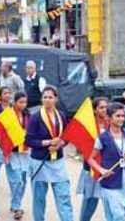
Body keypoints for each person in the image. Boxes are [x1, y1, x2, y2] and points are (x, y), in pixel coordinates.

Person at [25, 86, 73, 221]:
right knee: (39, 199)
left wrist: (60, 144)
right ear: (41, 99)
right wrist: (47, 143)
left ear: (56, 99)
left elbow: (67, 136)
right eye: (45, 97)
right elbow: (28, 140)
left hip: (58, 163)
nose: (47, 100)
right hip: (40, 162)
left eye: (50, 97)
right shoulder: (35, 117)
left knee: (64, 196)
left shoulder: (61, 115)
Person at [88, 102, 125, 221]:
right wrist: (101, 170)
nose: (121, 119)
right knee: (118, 216)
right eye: (117, 116)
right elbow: (90, 158)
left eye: (123, 116)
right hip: (109, 182)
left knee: (120, 214)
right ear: (109, 118)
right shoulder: (102, 138)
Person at [76, 97, 109, 221]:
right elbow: (81, 146)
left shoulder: (111, 123)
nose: (104, 110)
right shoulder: (88, 125)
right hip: (91, 167)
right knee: (90, 199)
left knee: (107, 200)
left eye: (106, 107)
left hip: (107, 168)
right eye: (101, 107)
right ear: (95, 110)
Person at [5, 92, 30, 220]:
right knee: (17, 181)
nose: (23, 105)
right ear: (14, 102)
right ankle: (17, 206)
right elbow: (1, 135)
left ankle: (16, 204)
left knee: (23, 180)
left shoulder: (27, 114)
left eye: (25, 102)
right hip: (11, 152)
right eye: (20, 102)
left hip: (25, 152)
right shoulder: (8, 115)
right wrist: (5, 152)